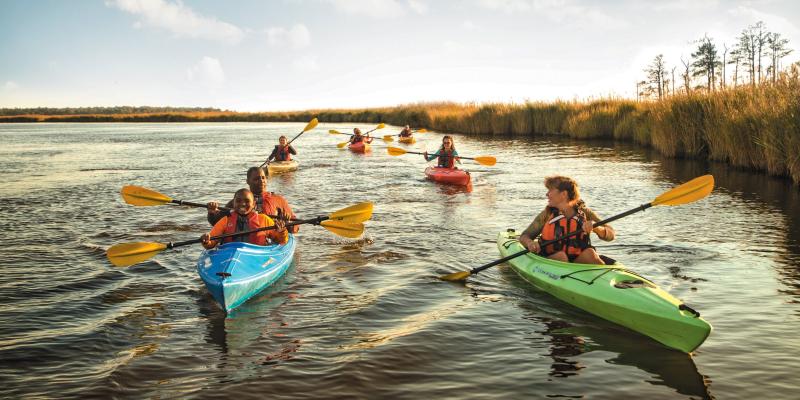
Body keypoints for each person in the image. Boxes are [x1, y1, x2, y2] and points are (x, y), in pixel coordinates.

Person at [518, 176, 615, 265]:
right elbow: (524, 236)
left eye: (550, 190)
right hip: (551, 258)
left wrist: (596, 228)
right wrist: (530, 243)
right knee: (561, 256)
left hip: (578, 259)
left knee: (590, 253)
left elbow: (611, 235)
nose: (547, 194)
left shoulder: (585, 213)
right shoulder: (547, 214)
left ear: (564, 194)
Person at [207, 167, 299, 233]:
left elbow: (296, 226)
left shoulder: (278, 199)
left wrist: (288, 223)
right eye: (256, 179)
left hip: (270, 240)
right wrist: (212, 213)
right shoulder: (237, 201)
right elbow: (216, 223)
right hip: (244, 240)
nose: (261, 181)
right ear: (248, 181)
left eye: (263, 178)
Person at [201, 188, 288, 249]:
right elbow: (211, 244)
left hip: (257, 255)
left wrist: (281, 231)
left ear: (254, 204)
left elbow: (281, 241)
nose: (242, 204)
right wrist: (206, 241)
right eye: (238, 201)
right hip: (230, 255)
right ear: (233, 203)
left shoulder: (264, 219)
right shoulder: (226, 220)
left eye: (247, 201)